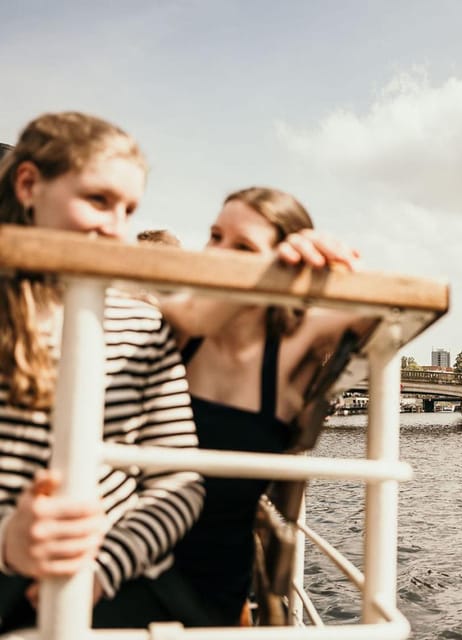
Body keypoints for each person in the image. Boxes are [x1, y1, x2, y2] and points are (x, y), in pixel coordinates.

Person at [0, 112, 206, 630]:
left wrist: (100, 569)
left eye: (129, 209)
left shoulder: (141, 323)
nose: (117, 229)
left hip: (112, 584)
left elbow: (178, 481)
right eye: (98, 200)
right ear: (28, 185)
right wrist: (11, 541)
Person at [156, 186, 359, 625]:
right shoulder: (175, 326)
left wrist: (333, 263)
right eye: (214, 236)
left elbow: (385, 311)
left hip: (214, 600)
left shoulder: (292, 348)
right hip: (124, 570)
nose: (217, 253)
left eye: (244, 246)